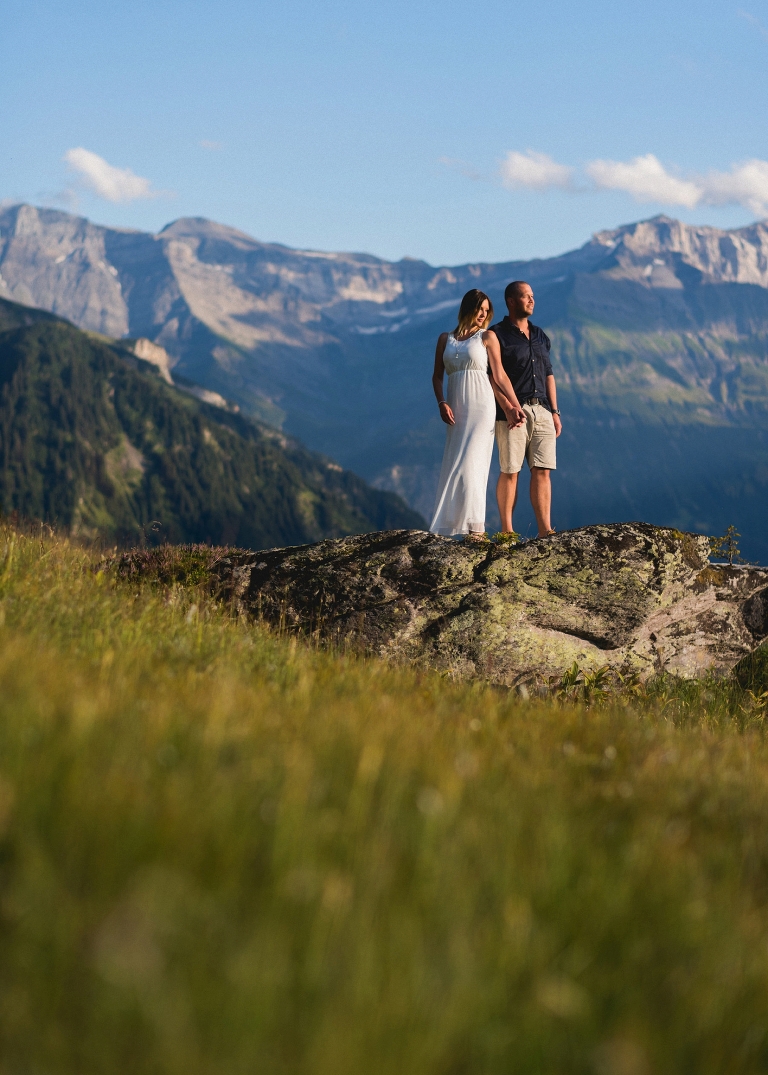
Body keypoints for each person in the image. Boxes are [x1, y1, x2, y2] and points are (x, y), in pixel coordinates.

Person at [430, 289, 524, 539]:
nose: (483, 315)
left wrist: (515, 406)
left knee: (472, 465)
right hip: (456, 408)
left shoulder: (487, 337)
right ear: (467, 309)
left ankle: (476, 530)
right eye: (479, 309)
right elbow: (437, 376)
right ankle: (458, 524)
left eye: (486, 311)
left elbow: (499, 375)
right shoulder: (445, 339)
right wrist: (441, 402)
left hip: (481, 407)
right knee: (455, 465)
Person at [486, 280, 562, 537]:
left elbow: (549, 374)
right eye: (526, 296)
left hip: (542, 410)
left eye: (533, 296)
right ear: (511, 301)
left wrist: (555, 411)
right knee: (510, 470)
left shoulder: (540, 335)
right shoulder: (496, 334)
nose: (532, 300)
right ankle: (507, 531)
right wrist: (507, 407)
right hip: (511, 413)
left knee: (542, 470)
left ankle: (544, 530)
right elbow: (492, 377)